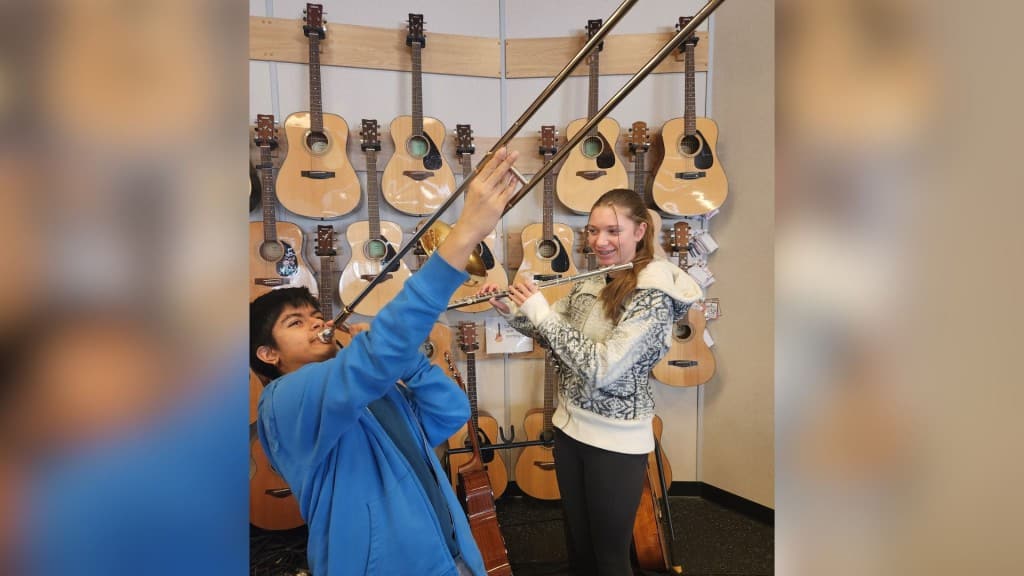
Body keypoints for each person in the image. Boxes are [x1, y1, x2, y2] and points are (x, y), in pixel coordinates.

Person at [251, 148, 520, 576]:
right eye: (295, 322)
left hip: (450, 555)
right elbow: (372, 360)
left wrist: (409, 364)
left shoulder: (369, 389)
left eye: (315, 315)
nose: (316, 323)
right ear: (269, 354)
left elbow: (450, 413)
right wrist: (465, 233)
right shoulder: (281, 402)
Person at [478, 188, 702, 576]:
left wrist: (541, 312)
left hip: (615, 443)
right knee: (579, 550)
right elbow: (554, 335)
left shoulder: (654, 296)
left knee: (610, 558)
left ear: (640, 231)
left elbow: (603, 368)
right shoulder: (593, 280)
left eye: (613, 231)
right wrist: (512, 311)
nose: (600, 241)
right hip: (570, 430)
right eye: (593, 231)